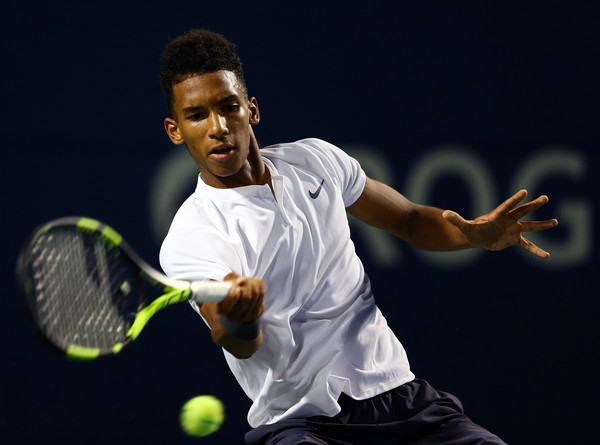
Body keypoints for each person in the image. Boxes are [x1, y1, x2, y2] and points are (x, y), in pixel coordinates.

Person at [158, 29, 558, 445]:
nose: (218, 127)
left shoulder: (315, 160)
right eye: (197, 115)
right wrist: (242, 320)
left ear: (251, 110)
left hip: (402, 401)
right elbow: (236, 340)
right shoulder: (192, 236)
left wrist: (475, 235)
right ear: (175, 129)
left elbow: (410, 220)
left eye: (228, 107)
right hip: (302, 425)